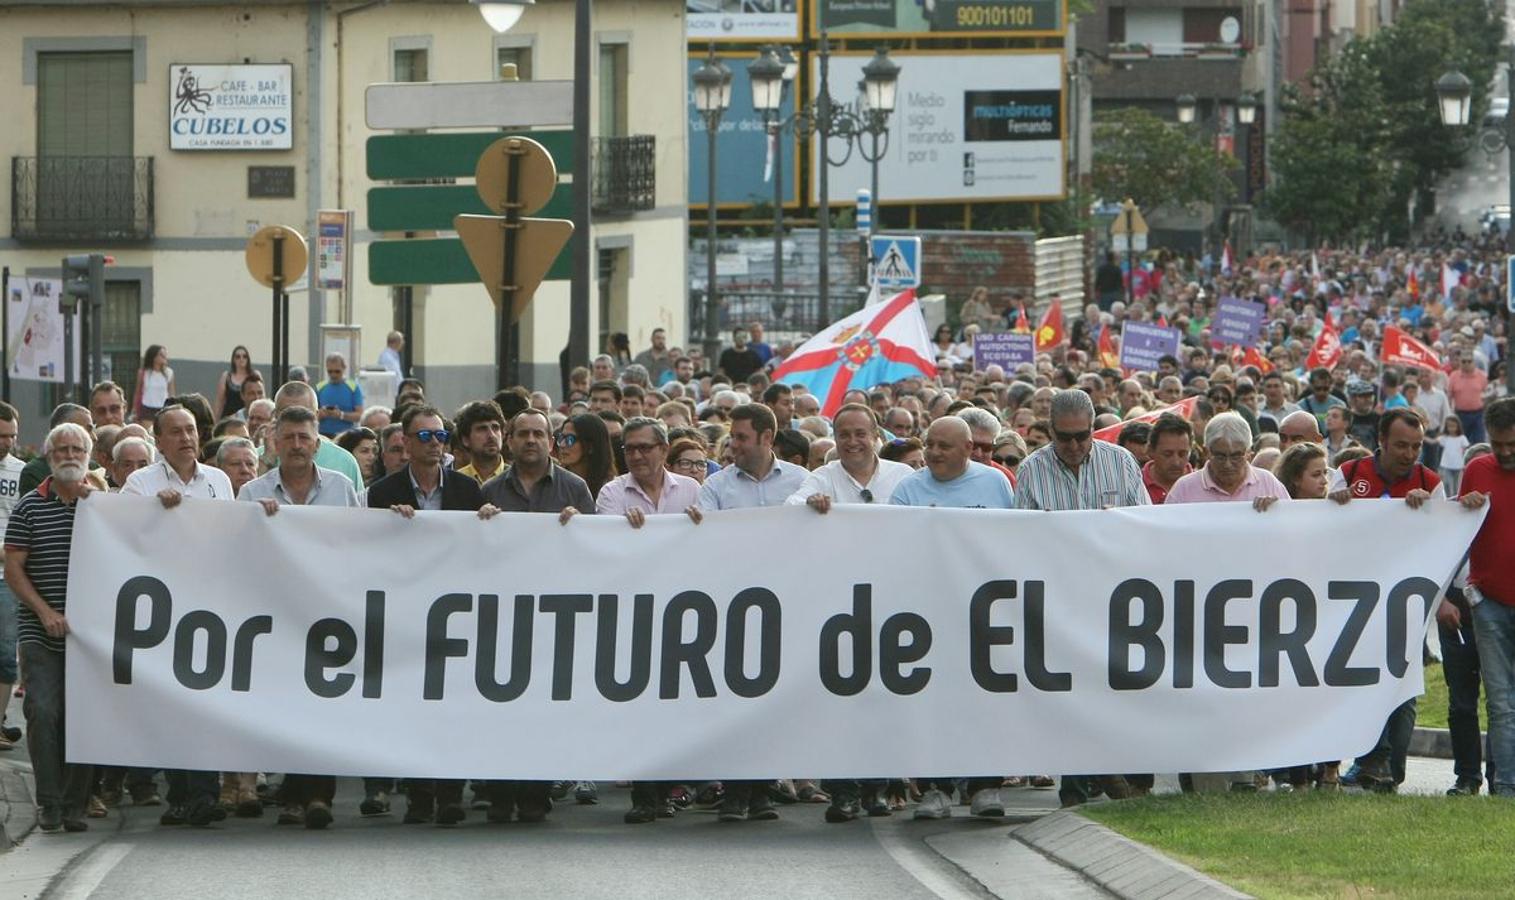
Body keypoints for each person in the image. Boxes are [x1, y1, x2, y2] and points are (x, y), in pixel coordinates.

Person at [1014, 389, 1148, 807]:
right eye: (1064, 437)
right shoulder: (1031, 471)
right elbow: (1020, 539)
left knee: (1119, 688)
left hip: (1114, 595)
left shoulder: (1121, 462)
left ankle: (1124, 770)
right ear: (1049, 430)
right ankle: (1074, 784)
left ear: (1095, 429)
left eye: (1082, 436)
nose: (1073, 446)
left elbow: (1143, 526)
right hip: (1061, 598)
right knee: (1070, 692)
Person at [239, 406, 362, 828]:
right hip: (273, 615)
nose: (296, 446)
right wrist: (262, 526)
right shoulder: (252, 494)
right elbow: (237, 549)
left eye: (304, 438)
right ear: (274, 443)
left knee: (323, 703)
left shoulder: (342, 488)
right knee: (285, 704)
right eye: (288, 437)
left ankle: (317, 796)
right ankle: (293, 794)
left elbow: (359, 543)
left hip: (328, 610)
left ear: (317, 442)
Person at [368, 405, 488, 826]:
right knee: (413, 706)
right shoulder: (382, 494)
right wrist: (389, 524)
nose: (435, 443)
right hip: (406, 611)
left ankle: (451, 793)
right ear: (404, 441)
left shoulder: (468, 490)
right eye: (425, 437)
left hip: (455, 614)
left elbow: (482, 549)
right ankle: (420, 795)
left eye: (441, 436)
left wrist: (488, 523)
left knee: (452, 706)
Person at [888, 416, 1013, 819]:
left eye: (944, 446)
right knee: (931, 704)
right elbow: (889, 545)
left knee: (984, 701)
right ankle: (935, 789)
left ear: (967, 449)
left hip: (982, 613)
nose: (935, 453)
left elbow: (1013, 542)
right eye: (931, 445)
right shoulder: (908, 489)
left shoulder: (995, 483)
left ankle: (985, 786)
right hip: (926, 617)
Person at [120, 405, 235, 828]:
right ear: (160, 440)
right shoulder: (139, 483)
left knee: (203, 703)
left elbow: (233, 536)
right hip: (163, 609)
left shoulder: (219, 481)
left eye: (191, 430)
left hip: (209, 608)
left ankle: (201, 794)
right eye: (177, 432)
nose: (187, 438)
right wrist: (153, 511)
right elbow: (122, 534)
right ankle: (181, 794)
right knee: (172, 705)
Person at [477, 409, 592, 823]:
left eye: (538, 434)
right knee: (500, 712)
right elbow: (475, 557)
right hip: (503, 617)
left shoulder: (575, 488)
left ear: (551, 441)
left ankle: (534, 793)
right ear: (509, 441)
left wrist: (583, 528)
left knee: (545, 711)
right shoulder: (490, 489)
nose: (530, 440)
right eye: (522, 433)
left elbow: (597, 556)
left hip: (555, 618)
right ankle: (500, 793)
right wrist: (482, 525)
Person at [1328, 407, 1445, 792]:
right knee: (1358, 680)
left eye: (1415, 447)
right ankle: (1367, 761)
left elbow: (1445, 540)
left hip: (1404, 603)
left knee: (1402, 685)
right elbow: (1317, 523)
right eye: (1400, 446)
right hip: (1353, 599)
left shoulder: (1430, 483)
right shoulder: (1348, 475)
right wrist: (1335, 505)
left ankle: (1388, 771)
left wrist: (1427, 514)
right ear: (1381, 441)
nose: (1409, 455)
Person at [5, 422, 96, 834]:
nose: (70, 455)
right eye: (62, 450)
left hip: (92, 638)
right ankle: (50, 803)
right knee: (42, 712)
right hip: (40, 630)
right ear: (48, 456)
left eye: (78, 449)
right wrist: (44, 613)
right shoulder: (27, 507)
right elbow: (13, 568)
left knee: (87, 718)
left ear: (89, 456)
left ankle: (76, 804)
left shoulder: (102, 507)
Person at [1457, 396, 1515, 798]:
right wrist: (1465, 507)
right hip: (1490, 601)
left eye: (1513, 444)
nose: (1506, 452)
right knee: (1500, 701)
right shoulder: (1476, 469)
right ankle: (1507, 786)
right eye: (1499, 445)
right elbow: (1456, 531)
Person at [788, 404, 913, 511]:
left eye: (860, 434)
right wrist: (808, 504)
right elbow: (791, 505)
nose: (852, 442)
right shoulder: (823, 477)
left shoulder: (902, 475)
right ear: (835, 439)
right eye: (844, 435)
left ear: (875, 436)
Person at [1165, 413, 1291, 507]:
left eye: (1236, 456)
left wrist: (1277, 510)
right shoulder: (1184, 490)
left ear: (1249, 454)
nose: (1228, 464)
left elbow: (1289, 527)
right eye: (1220, 456)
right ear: (1207, 452)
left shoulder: (1268, 484)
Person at [0, 403, 25, 750]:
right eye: (0, 436)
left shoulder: (20, 472)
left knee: (6, 652)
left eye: (11, 436)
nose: (6, 442)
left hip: (8, 574)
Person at [554, 412, 618, 500]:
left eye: (570, 439)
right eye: (561, 438)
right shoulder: (554, 482)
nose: (562, 445)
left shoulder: (612, 489)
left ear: (590, 446)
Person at [1142, 413, 1194, 504]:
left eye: (1182, 454)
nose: (1176, 462)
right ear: (1150, 451)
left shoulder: (1202, 485)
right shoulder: (1134, 485)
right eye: (1167, 454)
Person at [453, 400, 507, 484]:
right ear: (466, 440)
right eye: (482, 429)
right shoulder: (455, 481)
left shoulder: (517, 479)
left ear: (503, 434)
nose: (491, 435)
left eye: (495, 427)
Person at [314, 353, 363, 438]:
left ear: (344, 368)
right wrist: (320, 415)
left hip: (346, 435)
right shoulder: (320, 387)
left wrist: (341, 415)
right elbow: (311, 415)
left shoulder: (353, 387)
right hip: (323, 435)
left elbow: (360, 415)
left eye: (337, 371)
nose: (333, 375)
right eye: (330, 371)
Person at [1449, 350, 1489, 443]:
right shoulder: (1454, 376)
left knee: (1479, 442)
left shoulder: (1481, 376)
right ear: (1460, 362)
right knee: (1461, 442)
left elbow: (1487, 393)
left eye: (1469, 361)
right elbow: (1449, 396)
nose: (1466, 364)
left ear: (1474, 362)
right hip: (1460, 415)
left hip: (1478, 414)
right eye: (1464, 361)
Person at [214, 345, 258, 419]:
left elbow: (262, 398)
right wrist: (215, 421)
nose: (241, 359)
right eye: (238, 357)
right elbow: (220, 402)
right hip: (229, 417)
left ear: (248, 359)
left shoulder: (255, 375)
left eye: (244, 356)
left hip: (250, 416)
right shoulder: (226, 377)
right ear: (233, 360)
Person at [133, 344, 175, 421]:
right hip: (147, 408)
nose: (164, 356)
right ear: (154, 357)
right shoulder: (143, 373)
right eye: (161, 354)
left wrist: (172, 408)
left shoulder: (169, 373)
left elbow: (171, 393)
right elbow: (138, 392)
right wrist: (135, 410)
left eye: (165, 354)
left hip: (163, 408)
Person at [1439, 415, 1470, 494]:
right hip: (1446, 465)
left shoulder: (1462, 438)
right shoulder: (1444, 437)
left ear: (1458, 426)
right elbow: (1435, 442)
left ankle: (1456, 498)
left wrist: (1465, 462)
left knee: (1457, 485)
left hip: (1458, 465)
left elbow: (1466, 450)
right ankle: (1448, 499)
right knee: (1446, 484)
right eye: (1449, 426)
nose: (1451, 428)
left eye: (1453, 426)